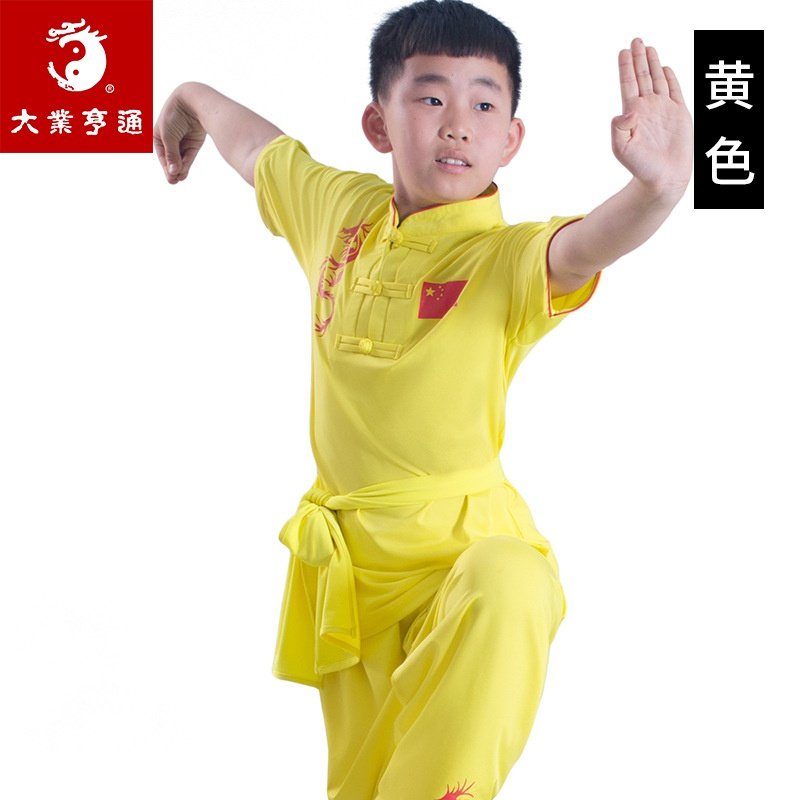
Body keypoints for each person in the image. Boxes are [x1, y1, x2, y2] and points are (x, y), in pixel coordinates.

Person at [153, 1, 692, 798]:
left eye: (484, 105)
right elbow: (262, 151)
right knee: (366, 783)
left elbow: (582, 246)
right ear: (379, 123)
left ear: (511, 139)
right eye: (431, 97)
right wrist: (189, 96)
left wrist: (657, 191)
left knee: (510, 585)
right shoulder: (340, 213)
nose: (458, 125)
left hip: (467, 565)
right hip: (354, 574)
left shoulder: (506, 259)